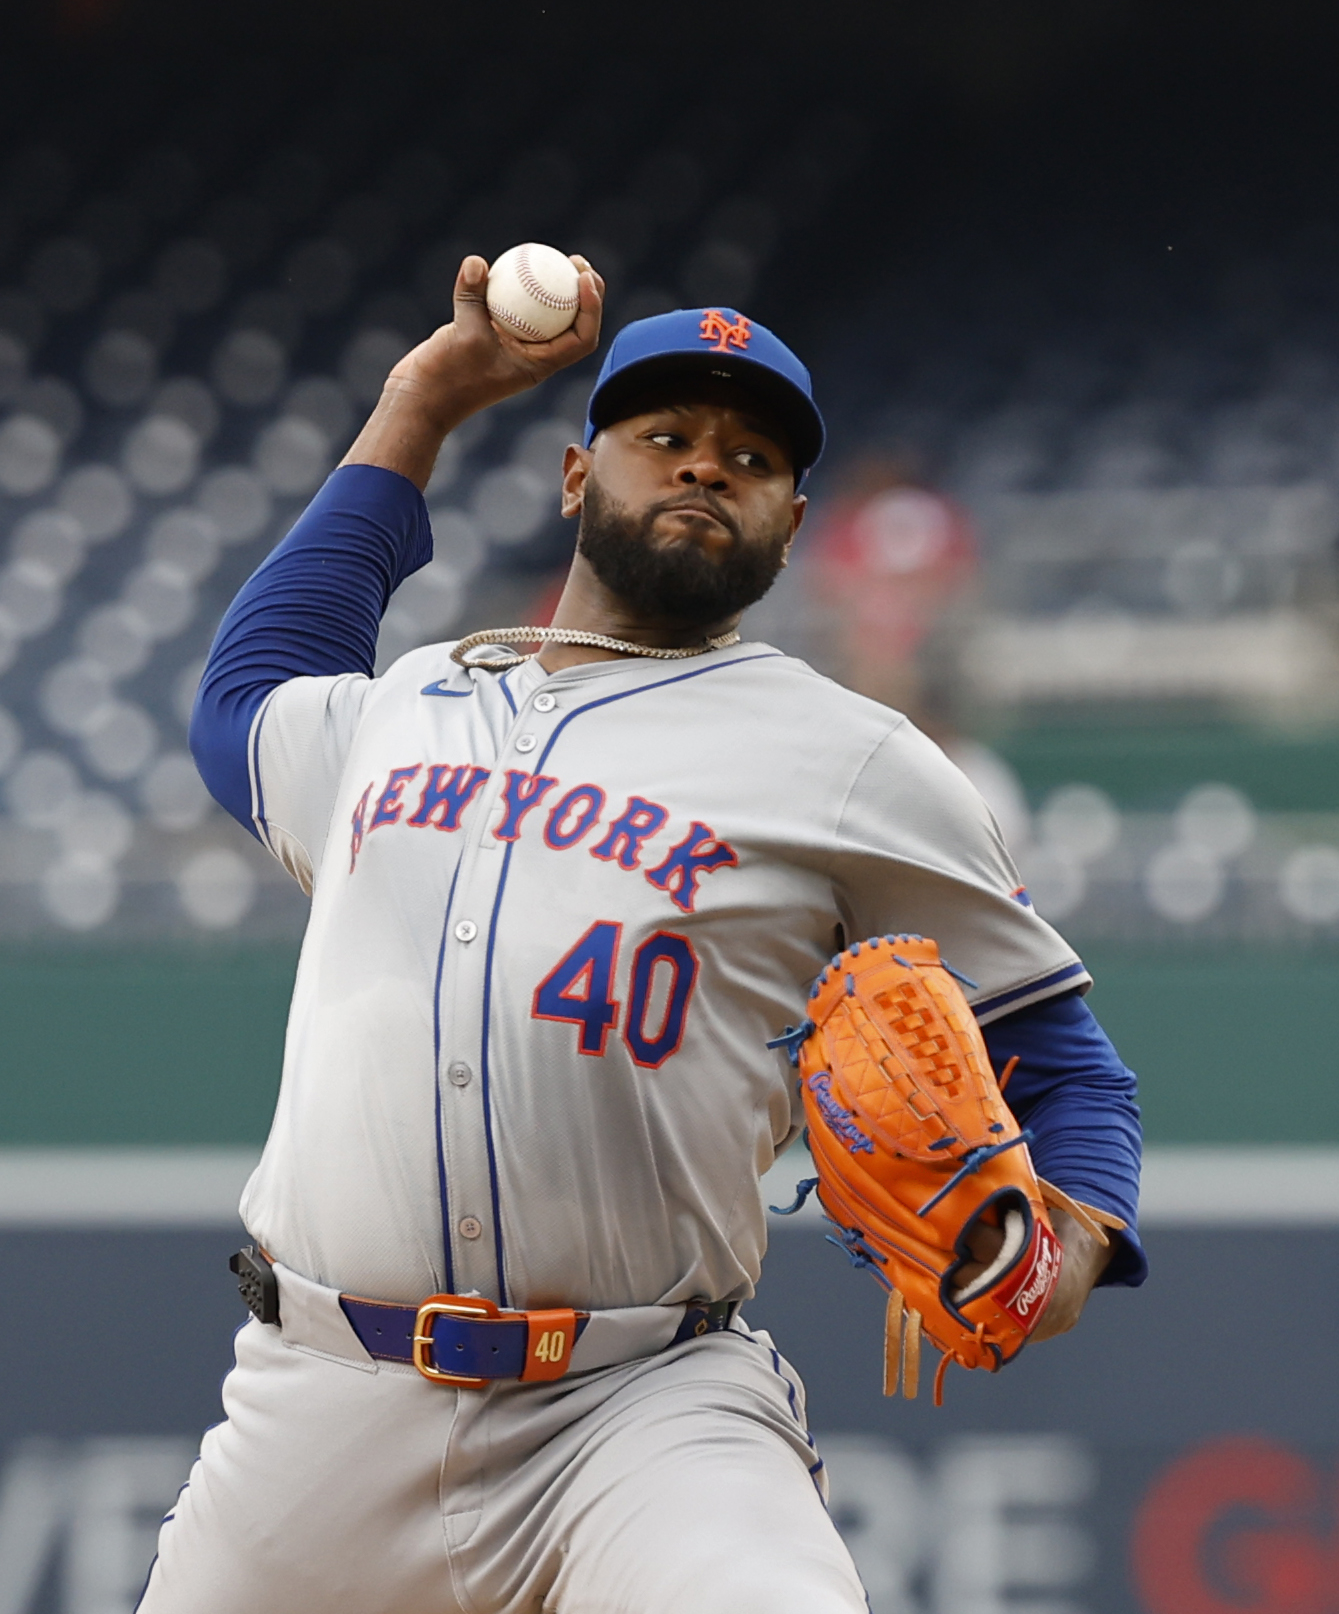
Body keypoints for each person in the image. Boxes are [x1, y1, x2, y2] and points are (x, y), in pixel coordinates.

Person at [148, 254, 1145, 1613]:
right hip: (317, 1402)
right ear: (575, 479)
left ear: (791, 524)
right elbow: (244, 703)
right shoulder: (416, 700)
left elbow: (1061, 1058)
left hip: (639, 1403)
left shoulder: (858, 761)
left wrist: (1071, 1243)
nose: (702, 467)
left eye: (746, 455)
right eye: (663, 437)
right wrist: (419, 405)